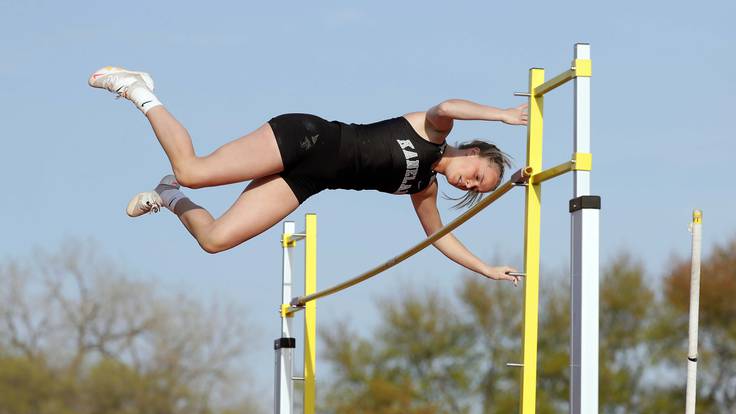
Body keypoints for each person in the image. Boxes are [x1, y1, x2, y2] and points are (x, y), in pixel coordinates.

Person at [88, 66, 526, 284]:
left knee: (215, 241)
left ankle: (168, 195)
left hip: (306, 181)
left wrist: (485, 268)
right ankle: (138, 90)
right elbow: (447, 105)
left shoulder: (422, 187)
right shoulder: (435, 131)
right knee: (194, 171)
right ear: (471, 151)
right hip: (306, 139)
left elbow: (438, 237)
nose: (469, 184)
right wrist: (501, 115)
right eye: (476, 174)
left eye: (475, 188)